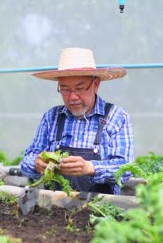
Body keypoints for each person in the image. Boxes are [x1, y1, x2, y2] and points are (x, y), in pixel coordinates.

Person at [20, 47, 134, 195]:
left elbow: (125, 169)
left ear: (96, 84)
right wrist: (36, 164)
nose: (72, 97)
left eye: (80, 88)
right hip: (55, 208)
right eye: (65, 89)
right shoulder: (52, 117)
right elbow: (26, 161)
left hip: (102, 210)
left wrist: (90, 168)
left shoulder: (116, 117)